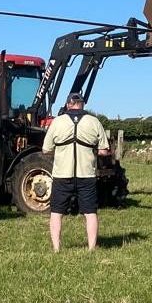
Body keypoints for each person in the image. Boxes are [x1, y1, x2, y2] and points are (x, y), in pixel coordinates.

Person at [42, 92, 110, 251]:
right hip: (86, 174)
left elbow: (46, 149)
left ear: (68, 105)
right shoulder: (94, 121)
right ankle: (92, 248)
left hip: (62, 174)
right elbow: (103, 151)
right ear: (83, 104)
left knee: (56, 212)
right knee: (90, 212)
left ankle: (56, 248)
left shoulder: (57, 122)